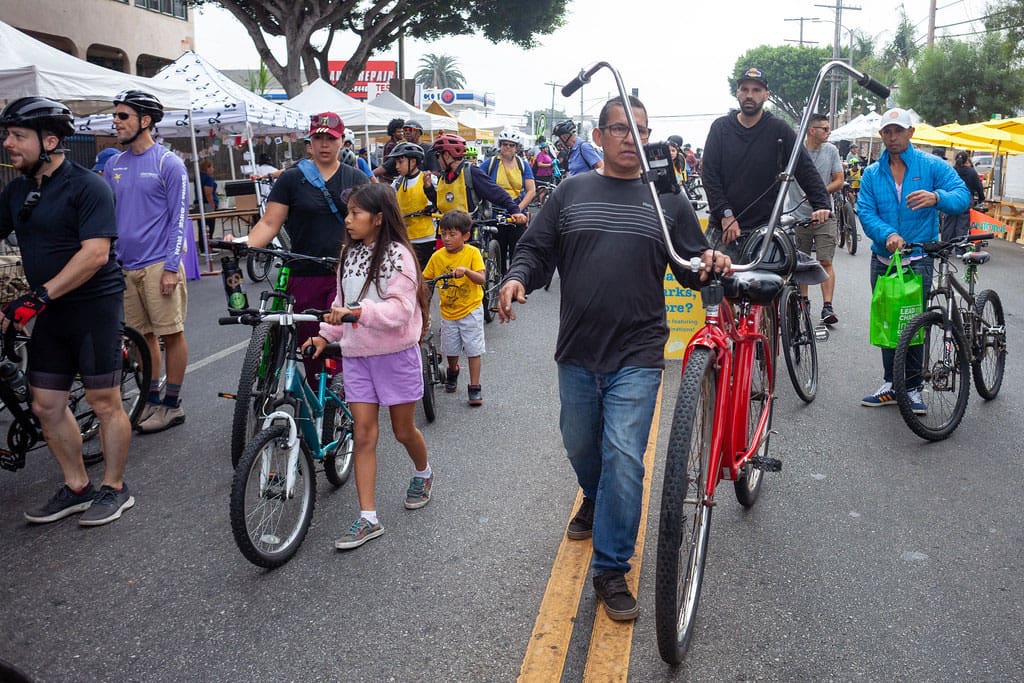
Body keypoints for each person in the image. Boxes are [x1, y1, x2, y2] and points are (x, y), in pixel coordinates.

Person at [498, 95, 731, 622]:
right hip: (577, 351)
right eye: (621, 128)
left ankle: (610, 567)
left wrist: (710, 262)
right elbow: (536, 250)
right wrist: (515, 278)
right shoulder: (571, 192)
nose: (632, 137)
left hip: (639, 352)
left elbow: (692, 268)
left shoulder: (667, 203)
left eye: (641, 130)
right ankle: (592, 493)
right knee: (582, 446)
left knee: (625, 455)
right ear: (598, 136)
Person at [0, 97, 134, 526]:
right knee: (46, 405)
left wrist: (37, 297)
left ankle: (115, 488)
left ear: (51, 140)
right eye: (7, 135)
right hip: (50, 308)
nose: (8, 144)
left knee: (103, 400)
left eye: (18, 136)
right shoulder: (18, 190)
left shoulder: (88, 187)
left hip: (93, 305)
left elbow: (95, 255)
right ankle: (77, 486)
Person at [304, 184, 431, 551]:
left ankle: (423, 473)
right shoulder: (349, 255)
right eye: (348, 213)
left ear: (378, 218)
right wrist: (326, 335)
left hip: (396, 356)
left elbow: (400, 312)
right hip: (358, 356)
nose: (348, 220)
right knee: (363, 434)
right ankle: (368, 517)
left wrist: (358, 314)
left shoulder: (400, 257)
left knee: (404, 430)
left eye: (356, 213)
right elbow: (341, 301)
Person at [240, 112, 369, 382]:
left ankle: (347, 403)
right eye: (318, 138)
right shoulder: (291, 179)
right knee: (310, 346)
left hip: (346, 275)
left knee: (346, 344)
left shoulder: (356, 178)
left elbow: (374, 223)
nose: (324, 145)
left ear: (341, 141)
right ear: (309, 143)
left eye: (330, 139)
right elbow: (269, 222)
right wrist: (246, 245)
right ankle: (318, 408)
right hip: (303, 274)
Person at [857, 108, 970, 412]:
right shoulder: (871, 173)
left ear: (910, 133)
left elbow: (962, 196)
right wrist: (889, 234)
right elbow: (865, 212)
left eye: (898, 131)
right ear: (881, 135)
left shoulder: (932, 165)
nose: (893, 137)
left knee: (912, 323)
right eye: (887, 132)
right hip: (883, 259)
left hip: (918, 257)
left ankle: (913, 386)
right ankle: (892, 384)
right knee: (887, 320)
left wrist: (937, 198)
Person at [104, 90, 190, 434]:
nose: (116, 122)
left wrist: (171, 267)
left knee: (171, 334)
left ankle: (172, 405)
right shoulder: (114, 165)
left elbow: (180, 218)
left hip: (159, 264)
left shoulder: (168, 162)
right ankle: (150, 400)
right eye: (116, 116)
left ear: (145, 121)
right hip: (125, 267)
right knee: (143, 339)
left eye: (123, 116)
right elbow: (108, 218)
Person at [701, 67, 831, 259]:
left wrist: (821, 203)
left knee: (771, 285)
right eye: (744, 89)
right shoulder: (720, 128)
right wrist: (726, 214)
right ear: (737, 93)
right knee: (715, 285)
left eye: (756, 90)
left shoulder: (779, 129)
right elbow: (709, 175)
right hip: (724, 227)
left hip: (766, 230)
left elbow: (804, 167)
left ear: (766, 95)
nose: (749, 95)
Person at [785, 113, 844, 325]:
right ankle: (803, 303)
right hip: (797, 216)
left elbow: (839, 180)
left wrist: (818, 192)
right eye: (825, 129)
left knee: (825, 260)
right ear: (812, 130)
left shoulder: (831, 150)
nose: (829, 132)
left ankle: (827, 307)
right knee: (801, 263)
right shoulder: (794, 153)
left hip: (824, 214)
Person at [422, 210, 486, 405]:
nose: (447, 239)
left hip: (471, 309)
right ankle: (452, 370)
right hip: (448, 311)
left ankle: (474, 387)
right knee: (450, 349)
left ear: (465, 236)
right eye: (443, 234)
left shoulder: (472, 253)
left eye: (452, 234)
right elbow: (426, 281)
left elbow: (482, 278)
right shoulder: (437, 257)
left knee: (473, 349)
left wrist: (467, 272)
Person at [431, 133, 528, 228]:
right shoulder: (444, 176)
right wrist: (428, 189)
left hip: (466, 232)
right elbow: (442, 203)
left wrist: (515, 211)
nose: (437, 160)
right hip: (444, 232)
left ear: (447, 155)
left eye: (438, 155)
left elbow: (495, 192)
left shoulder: (471, 172)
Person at [485, 129, 536, 269]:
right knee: (498, 254)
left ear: (516, 148)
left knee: (517, 254)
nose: (507, 147)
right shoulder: (491, 164)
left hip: (518, 216)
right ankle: (498, 283)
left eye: (511, 145)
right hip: (496, 214)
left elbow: (531, 191)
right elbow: (477, 181)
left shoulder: (522, 164)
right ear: (500, 145)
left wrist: (517, 210)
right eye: (504, 144)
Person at [389, 141, 438, 269]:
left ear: (413, 161)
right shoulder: (397, 183)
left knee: (426, 279)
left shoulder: (428, 179)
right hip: (405, 239)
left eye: (400, 162)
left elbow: (439, 202)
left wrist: (429, 190)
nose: (397, 166)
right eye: (396, 163)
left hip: (426, 238)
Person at [941, 151, 986, 242]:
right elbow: (979, 186)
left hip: (951, 197)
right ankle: (960, 249)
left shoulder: (951, 170)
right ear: (967, 160)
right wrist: (981, 198)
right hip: (966, 199)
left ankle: (945, 247)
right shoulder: (971, 171)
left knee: (949, 223)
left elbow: (943, 183)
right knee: (962, 224)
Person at [373, 117, 405, 183]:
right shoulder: (391, 145)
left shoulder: (393, 143)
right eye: (399, 132)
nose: (402, 133)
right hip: (389, 180)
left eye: (402, 131)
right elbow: (389, 164)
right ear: (393, 133)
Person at [198, 158, 219, 246]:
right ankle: (209, 246)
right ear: (207, 168)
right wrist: (212, 205)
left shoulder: (198, 177)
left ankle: (203, 246)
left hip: (199, 204)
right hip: (207, 204)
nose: (213, 169)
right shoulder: (208, 179)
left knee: (202, 227)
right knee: (210, 226)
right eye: (211, 167)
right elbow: (208, 193)